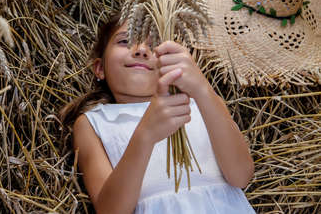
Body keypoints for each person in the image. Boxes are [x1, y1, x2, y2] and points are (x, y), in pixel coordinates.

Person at [60, 12, 255, 213]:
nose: (142, 50)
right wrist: (145, 135)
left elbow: (241, 176)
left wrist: (202, 88)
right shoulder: (94, 123)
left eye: (154, 45)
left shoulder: (202, 105)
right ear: (100, 68)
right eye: (126, 40)